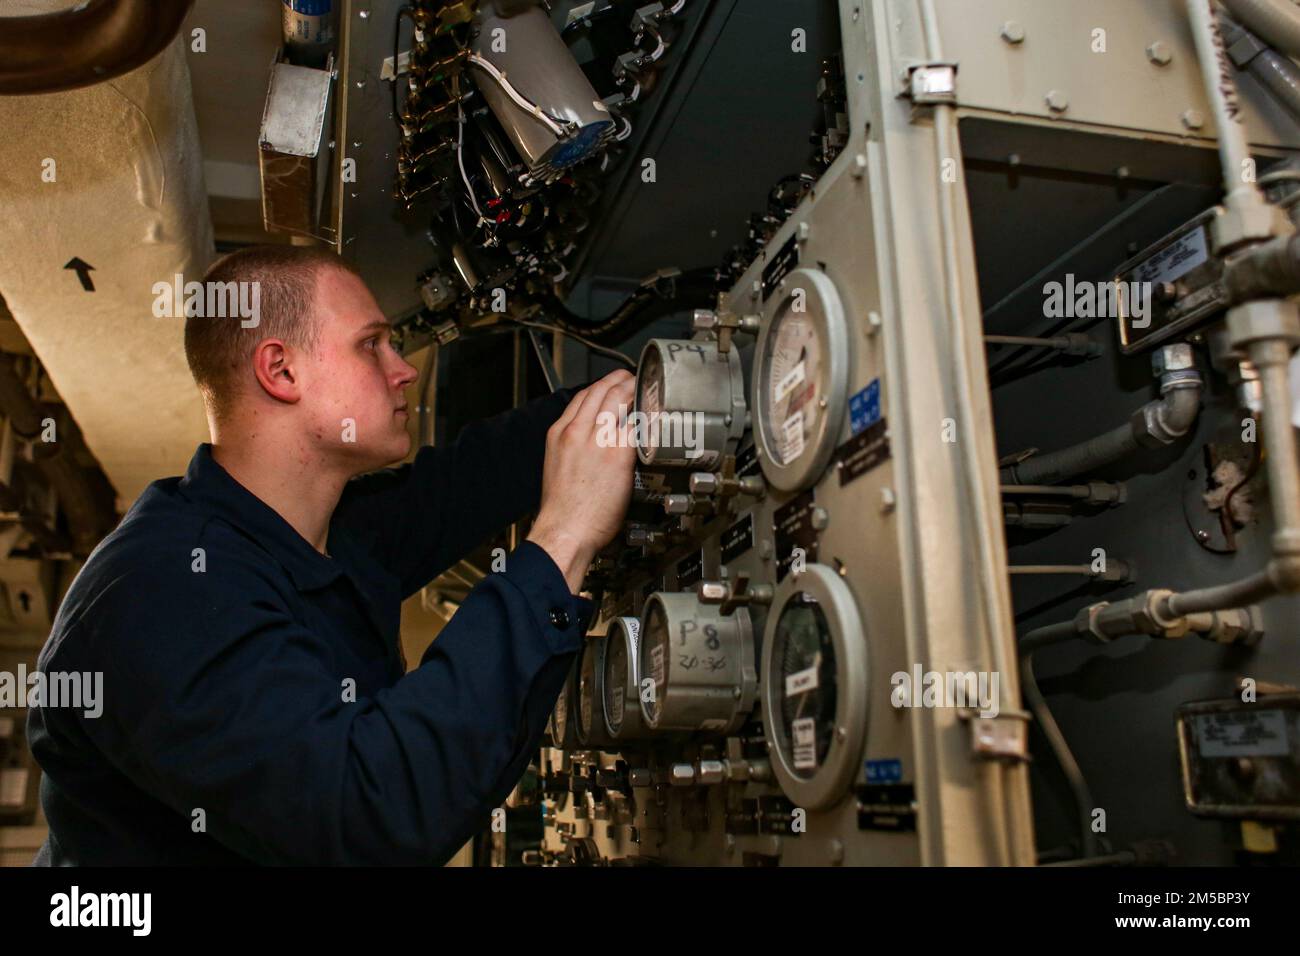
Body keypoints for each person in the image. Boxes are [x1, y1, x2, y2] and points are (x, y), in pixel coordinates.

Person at [27, 245, 635, 864]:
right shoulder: (160, 590)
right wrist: (564, 537)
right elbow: (368, 816)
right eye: (371, 345)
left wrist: (647, 394)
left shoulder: (326, 527)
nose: (404, 370)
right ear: (281, 372)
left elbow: (476, 474)